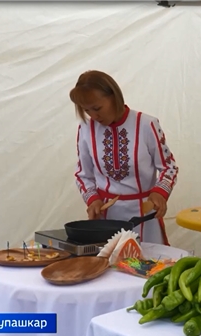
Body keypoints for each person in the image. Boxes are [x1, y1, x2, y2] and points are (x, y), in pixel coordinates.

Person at [69, 70, 179, 245]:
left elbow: (169, 167)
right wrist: (93, 199)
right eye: (86, 110)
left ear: (114, 97)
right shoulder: (85, 129)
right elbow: (83, 175)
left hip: (144, 218)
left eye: (97, 108)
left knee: (149, 267)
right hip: (106, 220)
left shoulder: (146, 124)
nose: (94, 116)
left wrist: (159, 193)